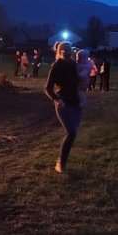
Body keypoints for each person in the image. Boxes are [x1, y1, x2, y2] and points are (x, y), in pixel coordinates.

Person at [44, 42, 82, 174]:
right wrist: (56, 99)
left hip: (76, 104)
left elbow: (80, 82)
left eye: (68, 51)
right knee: (71, 132)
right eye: (64, 52)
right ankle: (61, 163)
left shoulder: (73, 65)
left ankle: (62, 161)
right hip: (63, 104)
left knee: (73, 134)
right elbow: (47, 88)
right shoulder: (56, 66)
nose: (66, 54)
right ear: (59, 52)